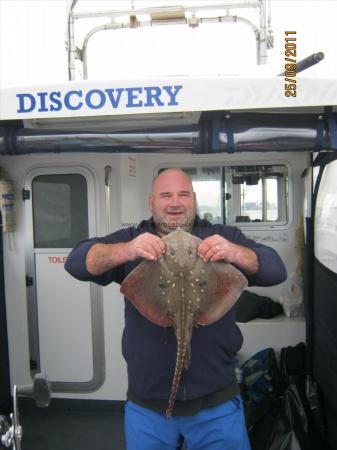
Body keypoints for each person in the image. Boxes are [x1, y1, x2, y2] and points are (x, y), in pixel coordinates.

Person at [65, 168, 287, 450]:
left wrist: (233, 252)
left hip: (216, 402)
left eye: (183, 194)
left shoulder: (221, 236)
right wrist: (128, 250)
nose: (175, 203)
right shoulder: (134, 238)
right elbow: (76, 262)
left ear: (194, 200)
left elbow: (276, 270)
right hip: (148, 404)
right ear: (151, 202)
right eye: (165, 195)